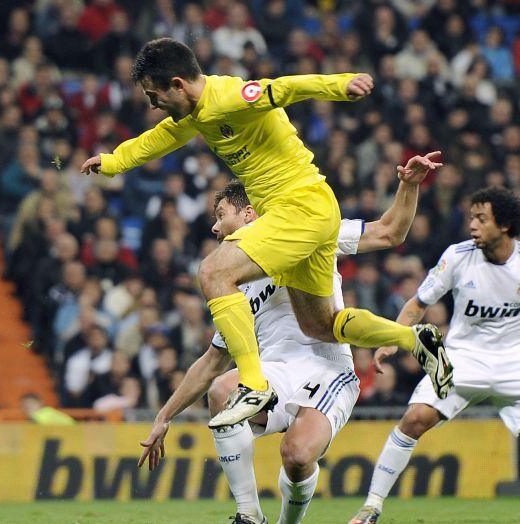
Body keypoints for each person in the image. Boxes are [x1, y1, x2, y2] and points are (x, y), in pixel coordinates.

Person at [82, 38, 451, 426]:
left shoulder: (229, 97)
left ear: (178, 84)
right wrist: (112, 162)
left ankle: (254, 385)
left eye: (153, 95)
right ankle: (414, 339)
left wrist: (341, 85)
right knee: (320, 324)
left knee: (213, 273)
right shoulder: (194, 114)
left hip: (299, 207)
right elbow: (160, 138)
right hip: (308, 212)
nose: (153, 105)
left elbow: (283, 88)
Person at [139, 152, 437, 524]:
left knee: (296, 455)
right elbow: (212, 361)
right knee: (220, 391)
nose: (215, 229)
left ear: (249, 214)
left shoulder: (307, 230)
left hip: (328, 369)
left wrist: (408, 185)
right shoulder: (230, 283)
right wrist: (164, 416)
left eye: (221, 216)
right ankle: (249, 515)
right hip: (274, 371)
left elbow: (389, 231)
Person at [349, 187, 520, 524]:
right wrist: (389, 341)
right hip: (463, 360)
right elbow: (418, 304)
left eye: (481, 219)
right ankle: (371, 507)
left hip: (514, 363)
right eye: (472, 217)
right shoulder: (458, 256)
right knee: (414, 419)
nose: (472, 225)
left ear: (504, 226)